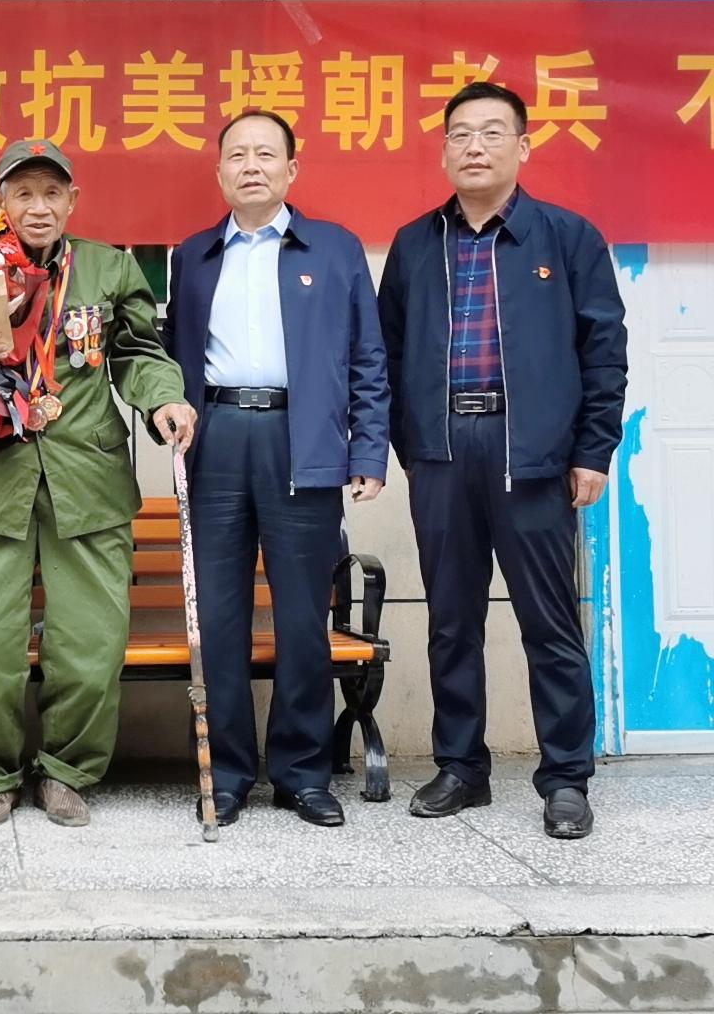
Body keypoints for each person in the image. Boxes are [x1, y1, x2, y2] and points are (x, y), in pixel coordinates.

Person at [377, 82, 627, 840]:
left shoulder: (567, 238)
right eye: (460, 134)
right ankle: (462, 767)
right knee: (451, 622)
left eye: (492, 132)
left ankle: (566, 778)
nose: (475, 147)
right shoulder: (416, 243)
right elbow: (387, 354)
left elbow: (603, 350)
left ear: (523, 146)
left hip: (533, 457)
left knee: (549, 623)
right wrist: (412, 445)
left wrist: (592, 449)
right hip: (444, 453)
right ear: (443, 151)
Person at [0, 139, 196, 828]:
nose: (38, 207)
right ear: (1, 202)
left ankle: (68, 772)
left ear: (73, 200)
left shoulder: (108, 267)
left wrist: (163, 398)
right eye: (24, 193)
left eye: (52, 193)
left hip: (88, 477)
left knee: (90, 641)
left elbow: (139, 351)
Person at [164, 110, 390, 829]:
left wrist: (368, 451)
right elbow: (169, 360)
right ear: (219, 171)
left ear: (292, 169)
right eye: (237, 155)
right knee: (220, 618)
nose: (251, 166)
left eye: (266, 154)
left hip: (305, 440)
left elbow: (368, 359)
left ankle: (302, 772)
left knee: (301, 617)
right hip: (218, 436)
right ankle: (228, 773)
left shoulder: (335, 248)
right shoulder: (192, 256)